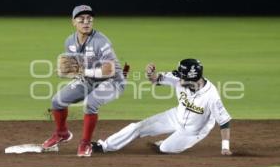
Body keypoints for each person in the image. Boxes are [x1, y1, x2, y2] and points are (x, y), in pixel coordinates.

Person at [92, 59, 232, 155]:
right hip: (175, 116)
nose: (179, 79)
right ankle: (104, 146)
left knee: (164, 148)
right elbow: (155, 79)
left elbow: (224, 121)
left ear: (194, 79)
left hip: (194, 130)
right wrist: (150, 74)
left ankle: (168, 142)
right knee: (137, 127)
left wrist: (225, 147)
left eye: (183, 77)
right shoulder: (179, 78)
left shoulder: (211, 96)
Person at [42, 5, 126, 157]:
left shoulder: (101, 41)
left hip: (113, 81)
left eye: (89, 19)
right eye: (81, 19)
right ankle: (62, 134)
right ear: (73, 22)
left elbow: (109, 70)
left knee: (90, 103)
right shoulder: (69, 41)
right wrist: (68, 73)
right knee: (57, 101)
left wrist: (82, 71)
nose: (86, 22)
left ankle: (85, 143)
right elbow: (76, 67)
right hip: (88, 79)